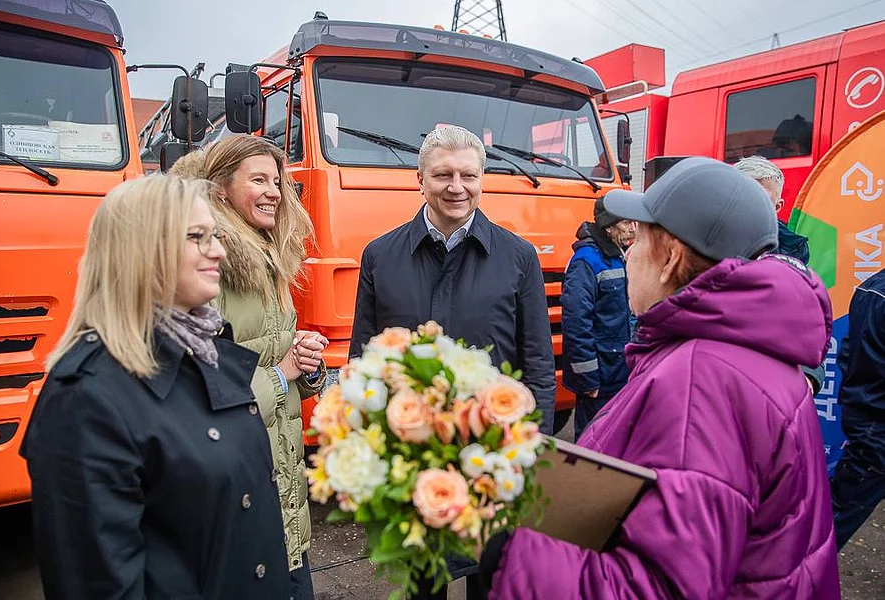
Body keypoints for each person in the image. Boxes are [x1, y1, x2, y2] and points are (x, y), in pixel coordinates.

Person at [478, 157, 840, 599]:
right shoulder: (744, 350)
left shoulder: (700, 381)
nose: (628, 252)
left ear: (669, 256)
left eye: (640, 237)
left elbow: (653, 588)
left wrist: (505, 540)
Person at [20, 175, 290, 599]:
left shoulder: (206, 350)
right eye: (197, 237)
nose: (218, 250)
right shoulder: (84, 398)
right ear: (142, 249)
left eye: (216, 235)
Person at [349, 125, 555, 600]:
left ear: (483, 178)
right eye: (442, 174)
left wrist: (535, 448)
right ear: (419, 179)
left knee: (495, 578)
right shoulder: (380, 256)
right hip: (414, 453)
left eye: (469, 174)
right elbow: (362, 359)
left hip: (493, 452)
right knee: (423, 581)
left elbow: (539, 362)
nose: (456, 187)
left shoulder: (518, 257)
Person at [171, 135, 326, 598]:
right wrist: (282, 374)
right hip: (240, 493)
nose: (275, 192)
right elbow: (198, 395)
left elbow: (276, 364)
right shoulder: (205, 271)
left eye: (277, 181)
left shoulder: (269, 259)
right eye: (258, 179)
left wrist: (305, 365)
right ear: (220, 189)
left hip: (280, 485)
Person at [734, 155, 825, 394]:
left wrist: (809, 376)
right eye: (745, 198)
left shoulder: (794, 254)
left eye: (762, 201)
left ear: (778, 207)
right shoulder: (697, 247)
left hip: (773, 390)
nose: (752, 209)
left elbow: (809, 325)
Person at [559, 200, 636, 438]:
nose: (633, 228)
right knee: (592, 443)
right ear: (608, 227)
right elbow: (576, 324)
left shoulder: (619, 256)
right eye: (626, 222)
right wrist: (587, 380)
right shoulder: (586, 262)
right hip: (600, 379)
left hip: (620, 371)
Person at [830, 267, 885, 549]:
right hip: (875, 431)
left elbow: (848, 354)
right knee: (836, 517)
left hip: (867, 421)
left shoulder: (872, 286)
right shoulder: (878, 293)